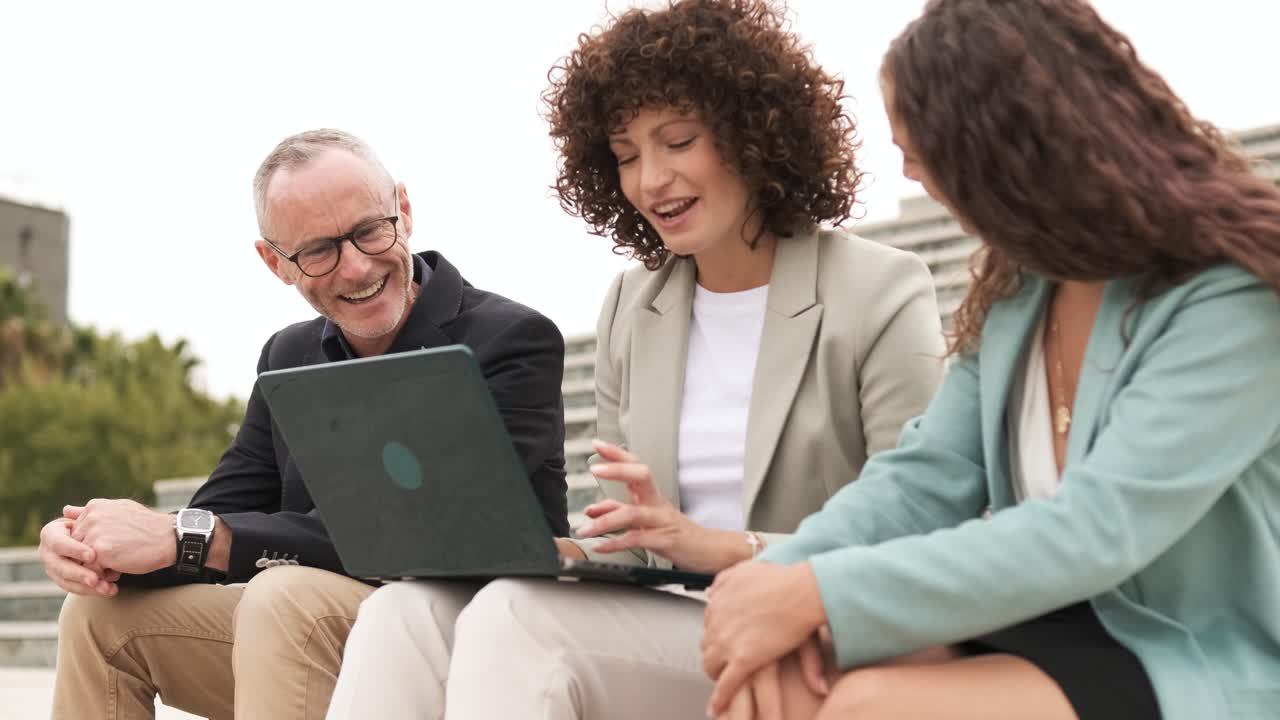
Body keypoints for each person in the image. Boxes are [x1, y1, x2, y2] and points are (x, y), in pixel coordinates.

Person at [325, 1, 945, 718]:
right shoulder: (633, 306)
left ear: (753, 134)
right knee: (402, 612)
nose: (650, 181)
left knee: (514, 621)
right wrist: (557, 552)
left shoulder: (878, 289)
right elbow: (632, 537)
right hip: (666, 619)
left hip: (807, 627)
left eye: (677, 141)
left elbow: (918, 532)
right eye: (625, 155)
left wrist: (711, 545)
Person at [698, 1, 1280, 719]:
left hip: (1198, 652)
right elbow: (919, 482)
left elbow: (1098, 529)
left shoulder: (1231, 299)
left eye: (918, 150)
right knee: (791, 669)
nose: (907, 174)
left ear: (997, 153)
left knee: (869, 707)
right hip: (1051, 625)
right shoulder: (1022, 292)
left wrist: (818, 592)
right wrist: (774, 581)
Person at [39, 128, 569, 720]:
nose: (356, 267)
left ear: (406, 210)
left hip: (471, 643)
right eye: (318, 251)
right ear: (274, 262)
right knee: (95, 617)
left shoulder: (512, 340)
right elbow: (224, 503)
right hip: (315, 638)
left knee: (285, 596)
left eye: (370, 230)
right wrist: (93, 547)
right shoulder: (286, 357)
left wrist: (198, 536)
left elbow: (412, 528)